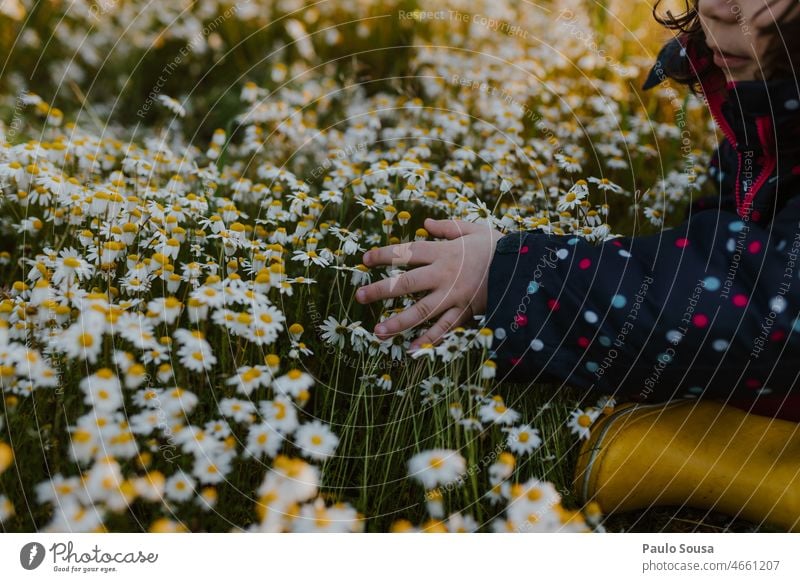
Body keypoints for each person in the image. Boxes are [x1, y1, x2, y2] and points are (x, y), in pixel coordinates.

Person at [355, 0, 800, 531]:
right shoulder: (765, 105)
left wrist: (514, 277)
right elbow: (743, 242)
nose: (717, 7)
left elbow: (750, 299)